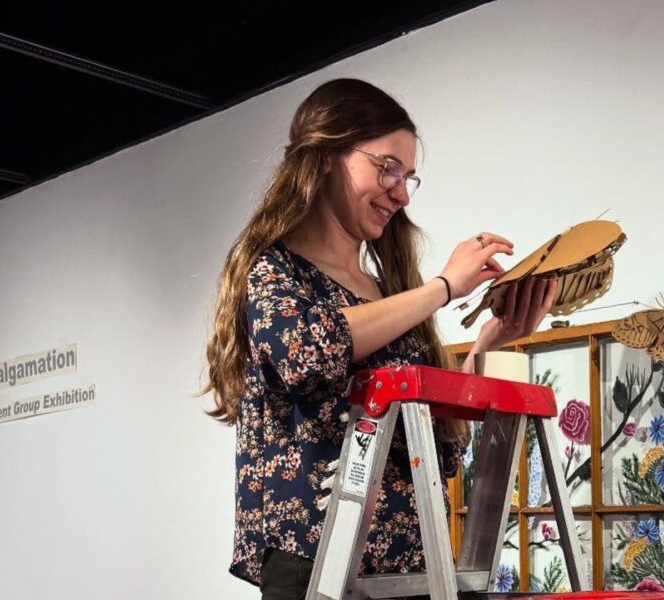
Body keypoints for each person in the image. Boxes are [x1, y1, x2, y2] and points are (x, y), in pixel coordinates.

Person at [202, 78, 558, 599]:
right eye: (387, 167)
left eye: (409, 176)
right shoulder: (274, 272)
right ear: (326, 156)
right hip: (316, 563)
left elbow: (435, 446)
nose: (398, 190)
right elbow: (309, 354)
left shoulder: (388, 294)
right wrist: (442, 288)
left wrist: (488, 346)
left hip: (411, 562)